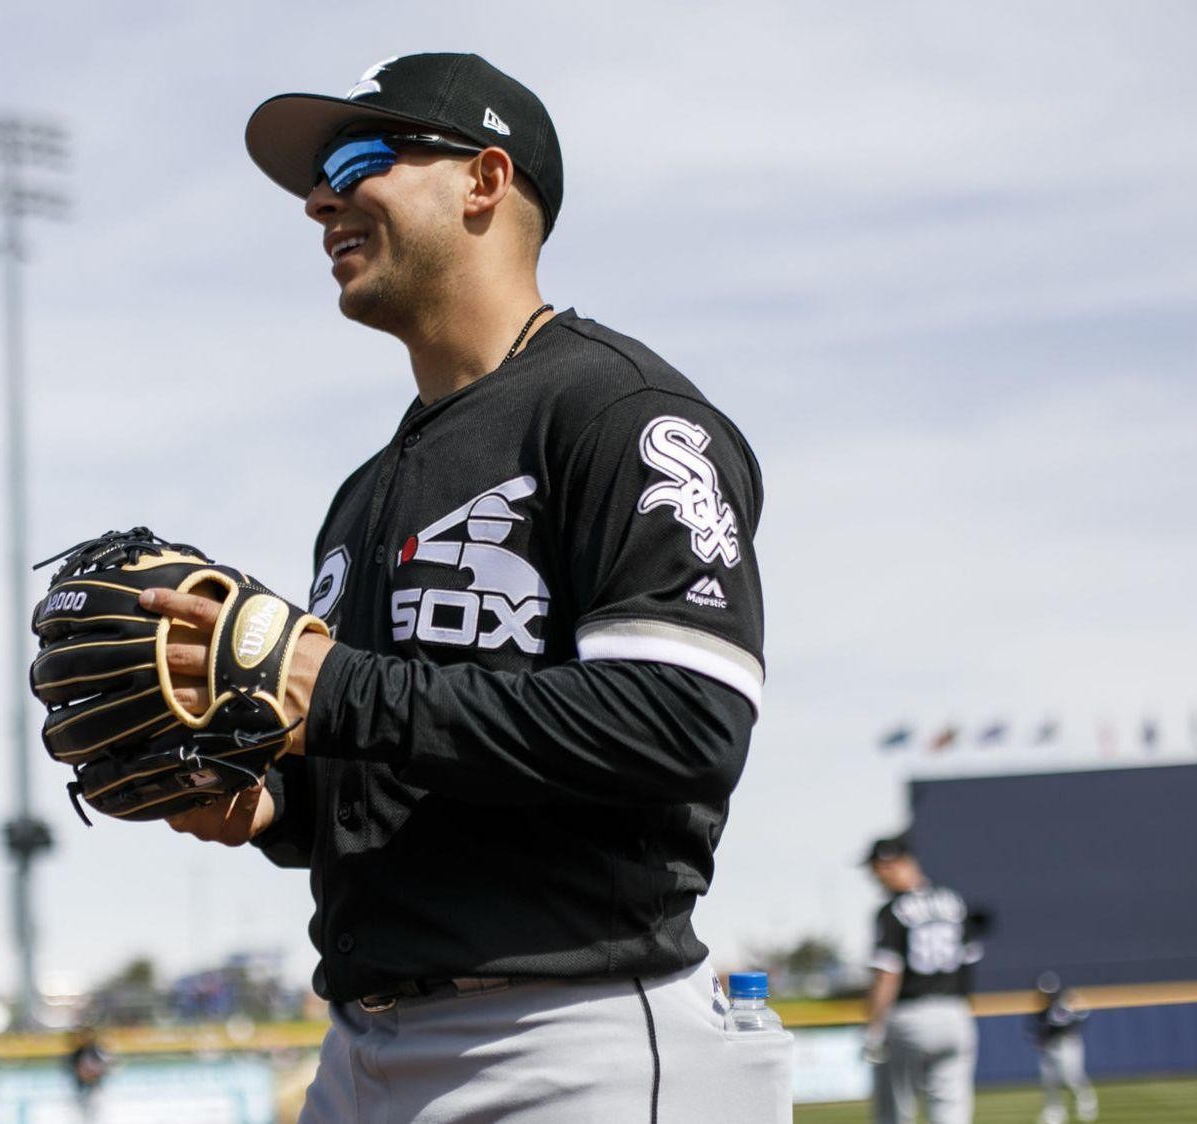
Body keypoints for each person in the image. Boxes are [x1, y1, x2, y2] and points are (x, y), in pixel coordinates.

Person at [146, 52, 770, 1121]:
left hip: (573, 1040)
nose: (319, 199)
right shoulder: (362, 492)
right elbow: (403, 760)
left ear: (484, 179)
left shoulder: (617, 412)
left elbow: (683, 718)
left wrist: (329, 686)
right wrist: (269, 803)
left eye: (357, 158)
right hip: (363, 1042)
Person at [862, 835, 982, 1124]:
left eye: (877, 868)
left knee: (896, 1111)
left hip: (909, 1015)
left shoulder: (893, 911)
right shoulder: (952, 901)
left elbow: (888, 974)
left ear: (890, 865)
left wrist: (874, 1027)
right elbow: (970, 960)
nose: (875, 876)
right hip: (955, 1013)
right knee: (951, 1109)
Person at [1027, 972, 1097, 1124]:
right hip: (1049, 1049)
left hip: (1066, 1046)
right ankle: (1055, 1114)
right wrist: (1039, 1040)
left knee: (1072, 1078)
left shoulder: (1060, 1007)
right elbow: (1034, 1031)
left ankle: (1086, 1102)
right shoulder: (1042, 1012)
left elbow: (1067, 1024)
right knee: (1050, 1083)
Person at [65, 1029, 111, 1122]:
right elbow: (70, 1066)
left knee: (94, 1104)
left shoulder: (96, 1050)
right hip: (81, 1083)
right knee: (81, 1104)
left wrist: (96, 1072)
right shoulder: (77, 1052)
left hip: (94, 1083)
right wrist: (82, 1072)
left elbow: (105, 1064)